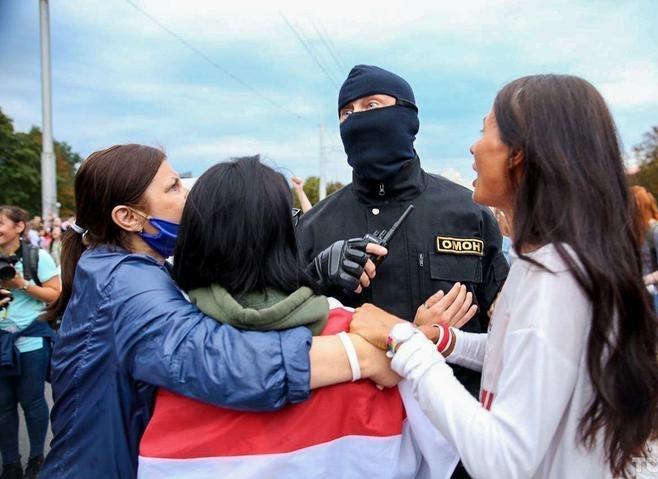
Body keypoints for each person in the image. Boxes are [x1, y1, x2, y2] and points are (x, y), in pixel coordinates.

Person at [350, 74, 658, 478]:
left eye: (485, 129)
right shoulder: (548, 260)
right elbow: (518, 351)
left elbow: (503, 462)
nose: (473, 147)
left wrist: (404, 342)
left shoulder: (556, 279)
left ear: (521, 152)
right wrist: (443, 340)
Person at [39, 144, 399, 479]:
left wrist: (311, 277)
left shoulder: (126, 268)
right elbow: (223, 361)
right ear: (128, 218)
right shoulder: (124, 282)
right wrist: (361, 355)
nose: (188, 195)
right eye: (174, 187)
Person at [138, 156, 472, 478]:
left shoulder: (161, 340)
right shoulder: (370, 334)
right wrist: (416, 341)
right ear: (285, 235)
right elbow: (444, 452)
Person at [295, 65, 509, 403]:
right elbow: (287, 333)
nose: (356, 119)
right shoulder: (314, 226)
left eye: (371, 106)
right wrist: (315, 279)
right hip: (358, 435)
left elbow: (506, 332)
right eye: (346, 113)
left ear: (408, 117)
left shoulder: (469, 213)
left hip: (456, 431)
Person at [0, 206, 61, 479]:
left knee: (33, 402)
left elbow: (55, 296)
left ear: (19, 227)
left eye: (0, 223)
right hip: (2, 342)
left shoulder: (38, 257)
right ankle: (10, 463)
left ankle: (37, 458)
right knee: (2, 407)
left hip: (30, 341)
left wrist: (21, 284)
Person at [631, 186, 658, 316]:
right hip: (630, 292)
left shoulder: (656, 231)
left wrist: (641, 281)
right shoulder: (629, 229)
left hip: (649, 295)